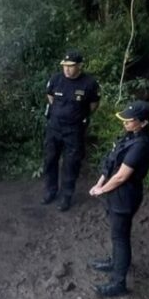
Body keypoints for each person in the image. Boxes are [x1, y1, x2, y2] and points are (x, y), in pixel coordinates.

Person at [88, 100, 149, 297]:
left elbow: (121, 175)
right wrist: (100, 183)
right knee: (116, 233)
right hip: (115, 192)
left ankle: (118, 282)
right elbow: (111, 162)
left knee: (121, 237)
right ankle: (114, 262)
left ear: (143, 123)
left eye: (129, 120)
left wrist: (102, 190)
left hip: (125, 195)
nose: (125, 123)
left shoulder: (142, 144)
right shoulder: (129, 137)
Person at [42, 49, 101, 211]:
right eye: (64, 65)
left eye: (71, 66)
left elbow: (93, 105)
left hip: (74, 130)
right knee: (50, 160)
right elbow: (50, 96)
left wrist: (76, 115)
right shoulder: (56, 79)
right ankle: (50, 191)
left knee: (70, 164)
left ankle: (66, 196)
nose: (67, 69)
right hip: (54, 128)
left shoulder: (89, 83)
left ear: (80, 66)